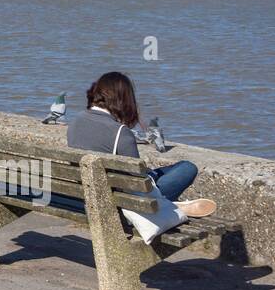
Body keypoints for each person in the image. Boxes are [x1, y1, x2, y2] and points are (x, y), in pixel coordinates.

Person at [67, 71, 216, 218]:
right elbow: (138, 182)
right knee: (187, 168)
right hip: (119, 202)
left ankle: (171, 203)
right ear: (123, 98)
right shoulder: (120, 132)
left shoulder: (76, 120)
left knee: (164, 171)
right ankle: (171, 206)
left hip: (86, 194)